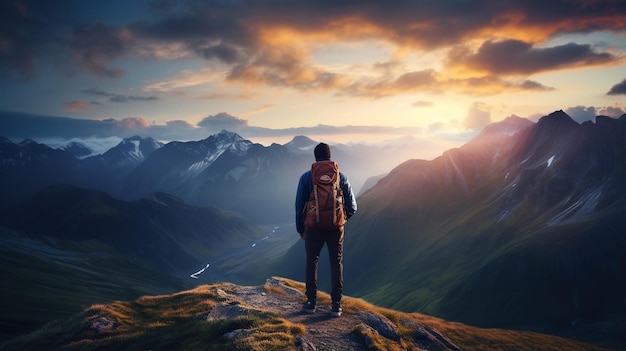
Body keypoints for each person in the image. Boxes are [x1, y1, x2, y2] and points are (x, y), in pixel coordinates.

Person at [295, 142, 357, 317]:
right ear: (330, 156)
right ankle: (336, 305)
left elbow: (299, 206)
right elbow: (352, 206)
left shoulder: (306, 178)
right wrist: (341, 219)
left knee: (311, 261)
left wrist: (301, 228)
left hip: (313, 227)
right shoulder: (341, 177)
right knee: (336, 262)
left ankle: (311, 302)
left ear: (315, 157)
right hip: (336, 227)